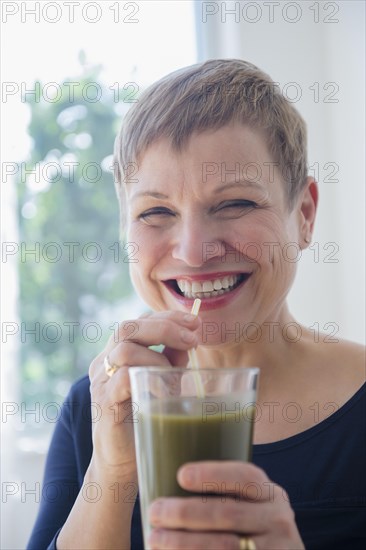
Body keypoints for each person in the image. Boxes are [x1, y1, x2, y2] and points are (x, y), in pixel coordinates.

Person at [27, 59, 365, 550]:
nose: (193, 251)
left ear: (305, 216)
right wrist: (115, 473)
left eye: (235, 204)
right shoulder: (93, 409)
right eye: (156, 211)